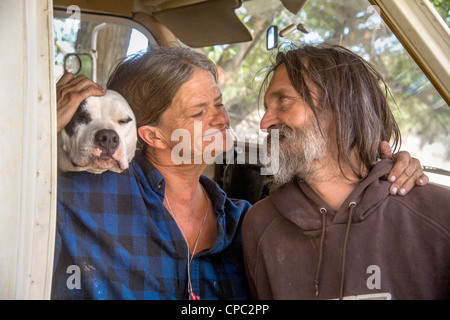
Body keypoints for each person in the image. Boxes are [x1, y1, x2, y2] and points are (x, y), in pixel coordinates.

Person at [52, 45, 427, 300]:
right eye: (199, 112)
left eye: (219, 102)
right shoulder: (81, 199)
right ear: (151, 135)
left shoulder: (247, 222)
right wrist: (42, 126)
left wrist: (378, 173)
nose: (221, 118)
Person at [242, 43, 450, 300]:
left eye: (283, 101)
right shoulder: (260, 225)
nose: (265, 123)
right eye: (266, 108)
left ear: (343, 106)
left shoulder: (439, 214)